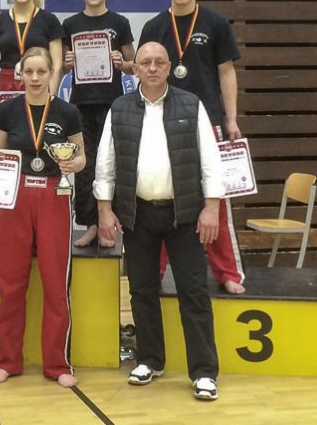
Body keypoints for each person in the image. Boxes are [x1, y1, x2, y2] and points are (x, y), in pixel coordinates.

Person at [94, 42, 223, 401]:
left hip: (185, 214)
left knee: (194, 293)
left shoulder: (191, 105)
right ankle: (150, 360)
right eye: (145, 63)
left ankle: (204, 372)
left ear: (169, 68)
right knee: (141, 290)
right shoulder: (119, 108)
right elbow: (105, 164)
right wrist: (104, 209)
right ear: (135, 69)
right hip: (137, 214)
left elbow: (211, 161)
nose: (152, 68)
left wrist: (211, 208)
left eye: (159, 62)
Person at [0, 47, 85, 388]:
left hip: (54, 195)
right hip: (16, 196)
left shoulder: (67, 112)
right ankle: (8, 361)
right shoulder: (7, 111)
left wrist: (73, 164)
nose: (35, 78)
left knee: (55, 284)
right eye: (29, 72)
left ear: (51, 73)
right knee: (10, 284)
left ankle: (58, 364)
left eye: (41, 72)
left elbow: (82, 156)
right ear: (20, 75)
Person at [138, 0, 245, 294]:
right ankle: (153, 271)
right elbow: (144, 73)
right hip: (161, 123)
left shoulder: (215, 23)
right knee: (159, 200)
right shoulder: (155, 27)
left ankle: (227, 272)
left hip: (207, 121)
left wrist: (231, 119)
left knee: (216, 198)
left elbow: (226, 72)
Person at [0, 0, 64, 239]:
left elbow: (56, 64)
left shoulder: (48, 21)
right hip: (6, 89)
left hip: (39, 89)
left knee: (37, 151)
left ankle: (40, 229)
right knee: (3, 159)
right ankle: (1, 229)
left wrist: (51, 96)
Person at [61, 0, 135, 248]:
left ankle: (109, 225)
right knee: (84, 164)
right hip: (80, 104)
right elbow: (61, 67)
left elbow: (134, 65)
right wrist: (67, 63)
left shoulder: (119, 23)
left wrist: (121, 62)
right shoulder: (70, 25)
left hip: (111, 104)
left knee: (109, 162)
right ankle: (90, 224)